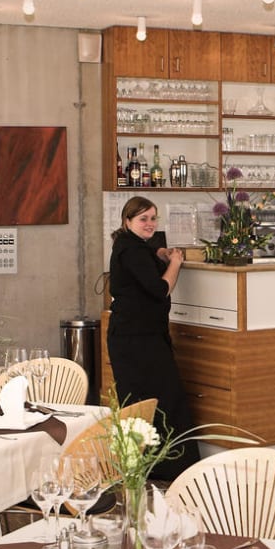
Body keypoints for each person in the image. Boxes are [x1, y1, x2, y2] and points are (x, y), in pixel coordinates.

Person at [107, 196, 200, 480]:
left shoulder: (131, 245)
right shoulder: (131, 250)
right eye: (143, 219)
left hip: (137, 336)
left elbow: (146, 260)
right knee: (158, 402)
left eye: (153, 218)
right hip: (137, 339)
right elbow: (160, 289)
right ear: (127, 221)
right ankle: (167, 469)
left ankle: (146, 468)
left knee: (147, 403)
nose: (150, 224)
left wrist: (159, 252)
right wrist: (176, 262)